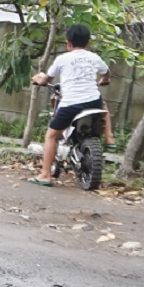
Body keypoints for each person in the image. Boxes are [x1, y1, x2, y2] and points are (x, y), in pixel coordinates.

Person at [29, 23, 115, 186]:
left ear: (68, 43)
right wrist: (104, 80)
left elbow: (46, 79)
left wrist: (38, 78)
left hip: (71, 104)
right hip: (93, 101)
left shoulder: (62, 59)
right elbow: (106, 73)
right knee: (103, 106)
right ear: (88, 43)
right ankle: (110, 137)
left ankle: (45, 175)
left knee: (51, 136)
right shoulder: (94, 57)